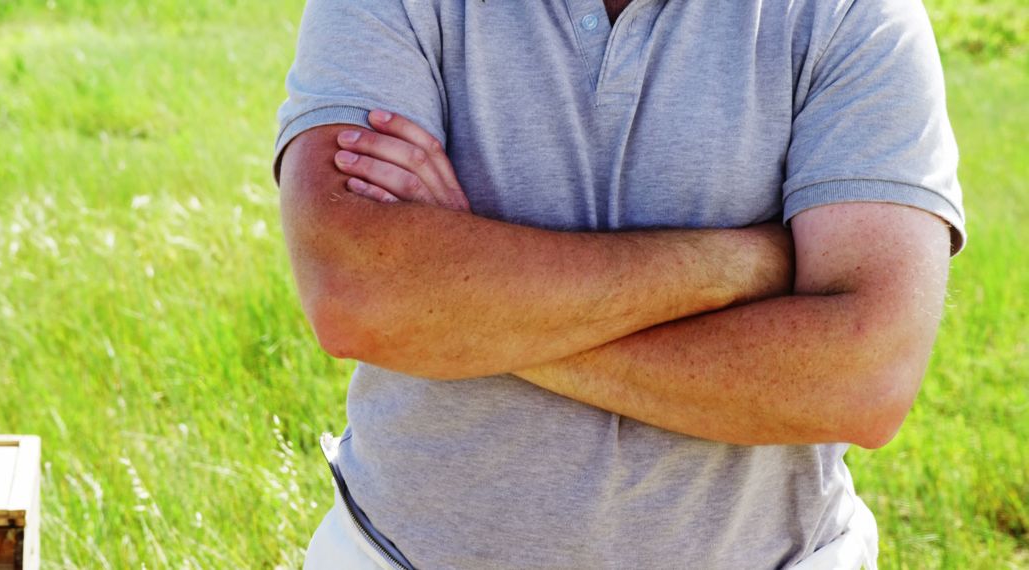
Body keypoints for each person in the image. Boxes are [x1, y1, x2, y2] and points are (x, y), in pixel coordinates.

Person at [273, 1, 965, 568]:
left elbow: (861, 378)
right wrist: (736, 265)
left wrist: (458, 313)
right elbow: (360, 295)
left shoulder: (850, 14)